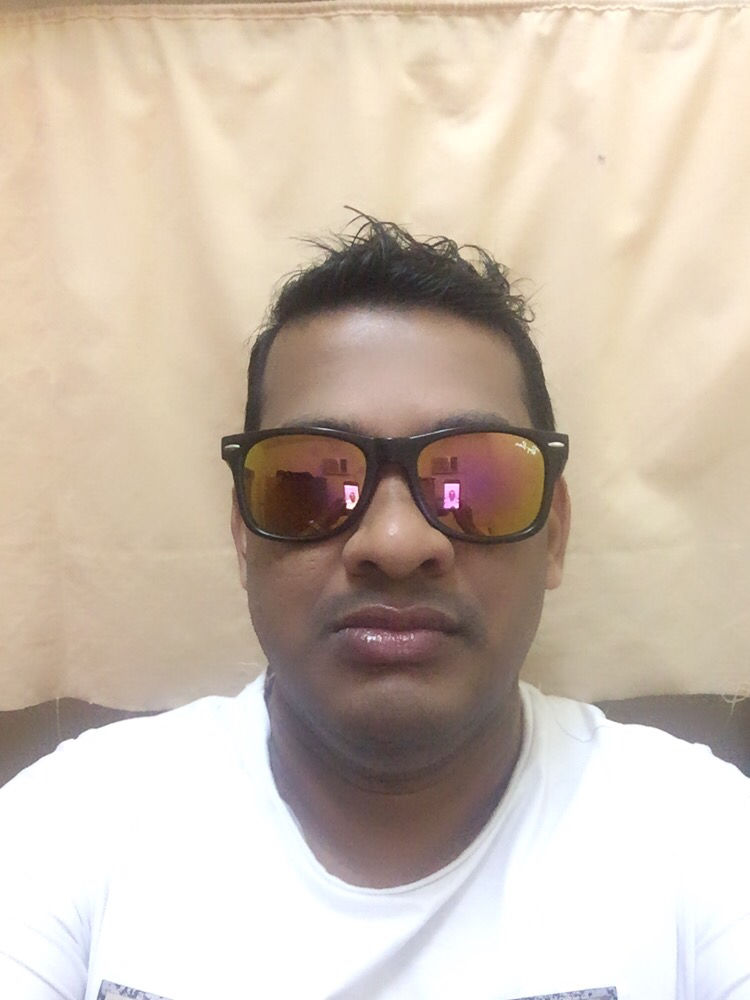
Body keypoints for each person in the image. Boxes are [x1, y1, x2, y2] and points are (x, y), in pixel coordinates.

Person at [0, 217, 748, 1000]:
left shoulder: (699, 834)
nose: (396, 542)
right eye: (311, 483)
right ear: (243, 533)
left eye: (473, 482)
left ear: (553, 535)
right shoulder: (73, 823)